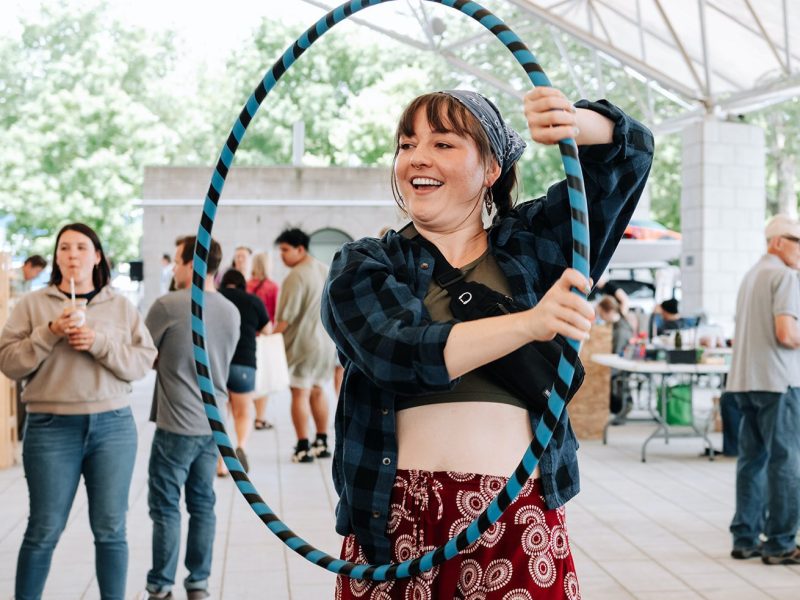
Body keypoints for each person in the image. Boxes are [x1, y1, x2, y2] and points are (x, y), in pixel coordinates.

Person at [321, 87, 653, 598]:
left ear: (491, 167)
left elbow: (627, 158)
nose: (418, 158)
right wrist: (528, 324)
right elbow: (397, 352)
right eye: (407, 145)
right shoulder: (365, 264)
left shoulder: (536, 247)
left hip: (517, 514)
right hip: (392, 521)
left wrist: (576, 122)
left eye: (445, 144)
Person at [0, 223, 157, 600]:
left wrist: (98, 343)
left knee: (110, 530)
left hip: (113, 427)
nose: (73, 255)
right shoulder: (32, 305)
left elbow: (142, 362)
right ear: (56, 256)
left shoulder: (120, 306)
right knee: (43, 529)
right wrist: (49, 332)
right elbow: (9, 363)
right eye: (65, 248)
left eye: (82, 248)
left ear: (97, 255)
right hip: (50, 426)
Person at [143, 235, 240, 599]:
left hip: (175, 424)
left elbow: (141, 354)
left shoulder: (168, 305)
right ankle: (198, 581)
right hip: (213, 425)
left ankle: (161, 584)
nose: (173, 268)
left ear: (190, 264)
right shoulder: (231, 310)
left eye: (178, 261)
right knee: (202, 503)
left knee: (165, 505)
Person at [726, 214, 800, 565]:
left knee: (752, 460)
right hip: (779, 382)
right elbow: (786, 334)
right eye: (797, 242)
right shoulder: (784, 276)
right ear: (778, 242)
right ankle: (781, 543)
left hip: (744, 380)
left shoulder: (751, 275)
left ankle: (745, 538)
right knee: (786, 463)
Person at [274, 228, 336, 463]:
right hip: (326, 344)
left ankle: (302, 446)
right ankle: (322, 441)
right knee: (319, 390)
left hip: (302, 343)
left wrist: (268, 338)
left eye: (285, 250)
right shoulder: (325, 270)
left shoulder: (296, 275)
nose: (282, 255)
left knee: (299, 391)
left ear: (300, 249)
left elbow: (285, 319)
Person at [218, 268, 269, 471]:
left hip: (219, 363)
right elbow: (267, 329)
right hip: (245, 362)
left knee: (222, 414)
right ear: (242, 284)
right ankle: (240, 446)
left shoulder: (216, 299)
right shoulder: (253, 301)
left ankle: (220, 462)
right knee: (243, 412)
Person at [247, 251, 280, 430]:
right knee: (264, 379)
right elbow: (275, 314)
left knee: (253, 377)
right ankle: (259, 418)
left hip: (248, 337)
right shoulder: (273, 287)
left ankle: (252, 413)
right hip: (265, 338)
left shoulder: (246, 285)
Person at [596, 295, 635, 420]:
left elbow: (617, 356)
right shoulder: (619, 325)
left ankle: (622, 407)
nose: (600, 318)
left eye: (601, 314)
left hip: (620, 367)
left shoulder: (620, 330)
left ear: (610, 312)